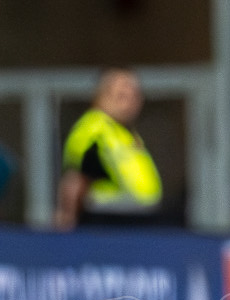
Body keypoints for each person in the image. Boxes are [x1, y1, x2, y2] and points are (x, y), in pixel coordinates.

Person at [56, 68, 164, 230]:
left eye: (134, 96)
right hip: (104, 227)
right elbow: (75, 180)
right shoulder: (94, 130)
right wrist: (67, 222)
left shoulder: (122, 132)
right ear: (100, 97)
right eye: (121, 96)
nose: (130, 102)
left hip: (133, 227)